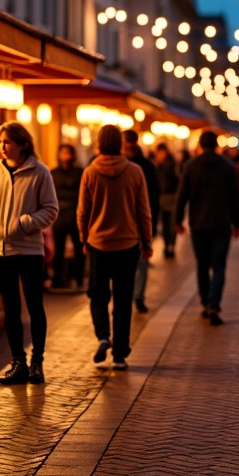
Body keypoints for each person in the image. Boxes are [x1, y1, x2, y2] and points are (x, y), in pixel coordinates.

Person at [0, 122, 58, 386]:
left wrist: (25, 223)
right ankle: (17, 362)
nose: (2, 147)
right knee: (10, 309)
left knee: (35, 306)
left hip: (29, 249)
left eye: (7, 142)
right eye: (0, 142)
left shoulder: (39, 172)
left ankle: (37, 362)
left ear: (22, 144)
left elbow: (50, 209)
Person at [78, 125, 153, 370]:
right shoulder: (135, 171)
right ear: (121, 143)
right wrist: (147, 241)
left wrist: (83, 237)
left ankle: (103, 336)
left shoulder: (90, 172)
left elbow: (82, 211)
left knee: (97, 295)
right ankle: (120, 354)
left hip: (98, 243)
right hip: (128, 244)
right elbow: (144, 211)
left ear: (99, 143)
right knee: (123, 298)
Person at [175, 130, 239, 325]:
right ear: (217, 145)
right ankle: (214, 303)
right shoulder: (228, 167)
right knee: (219, 264)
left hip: (199, 223)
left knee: (202, 264)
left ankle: (205, 302)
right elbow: (235, 197)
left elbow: (182, 195)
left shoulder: (190, 167)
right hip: (222, 223)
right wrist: (237, 222)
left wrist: (178, 220)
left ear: (200, 146)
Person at [123, 129, 159, 313]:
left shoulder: (146, 166)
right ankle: (125, 296)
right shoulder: (110, 165)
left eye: (130, 142)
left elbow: (153, 197)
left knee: (141, 262)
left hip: (139, 221)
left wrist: (151, 225)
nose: (128, 146)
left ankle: (138, 296)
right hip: (119, 223)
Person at [50, 144, 85, 289]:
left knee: (79, 247)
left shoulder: (79, 172)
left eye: (68, 153)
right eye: (62, 152)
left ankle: (79, 278)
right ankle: (58, 279)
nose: (65, 156)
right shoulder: (54, 173)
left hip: (76, 214)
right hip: (59, 214)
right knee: (58, 248)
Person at [154, 143, 180, 258]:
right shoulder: (157, 166)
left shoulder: (173, 165)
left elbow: (179, 180)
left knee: (172, 224)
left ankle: (171, 245)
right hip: (162, 197)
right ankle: (166, 245)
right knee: (164, 224)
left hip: (172, 197)